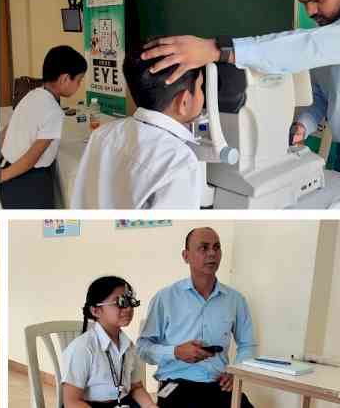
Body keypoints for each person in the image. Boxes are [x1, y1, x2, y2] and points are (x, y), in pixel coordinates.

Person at [140, 0, 340, 178]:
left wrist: (217, 50)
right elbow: (322, 96)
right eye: (303, 3)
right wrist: (304, 124)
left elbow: (308, 46)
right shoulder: (329, 35)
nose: (310, 11)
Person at [136, 227, 257, 408]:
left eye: (216, 247)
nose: (212, 254)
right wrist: (175, 352)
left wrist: (236, 374)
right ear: (186, 256)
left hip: (220, 386)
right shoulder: (165, 298)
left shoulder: (235, 300)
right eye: (204, 248)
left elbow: (247, 344)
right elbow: (143, 348)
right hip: (176, 385)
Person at [71, 48, 204, 209]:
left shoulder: (103, 134)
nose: (203, 95)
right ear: (183, 102)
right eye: (200, 87)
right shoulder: (179, 161)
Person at [0, 45, 87, 209]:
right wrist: (2, 176)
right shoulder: (54, 112)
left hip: (8, 169)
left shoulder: (32, 94)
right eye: (79, 80)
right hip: (27, 180)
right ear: (64, 79)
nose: (79, 85)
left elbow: (7, 129)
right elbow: (31, 159)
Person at [62, 276, 158, 408]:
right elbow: (71, 401)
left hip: (123, 402)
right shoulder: (83, 348)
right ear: (95, 310)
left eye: (130, 301)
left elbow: (136, 387)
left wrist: (151, 406)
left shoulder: (128, 345)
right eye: (120, 302)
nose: (129, 308)